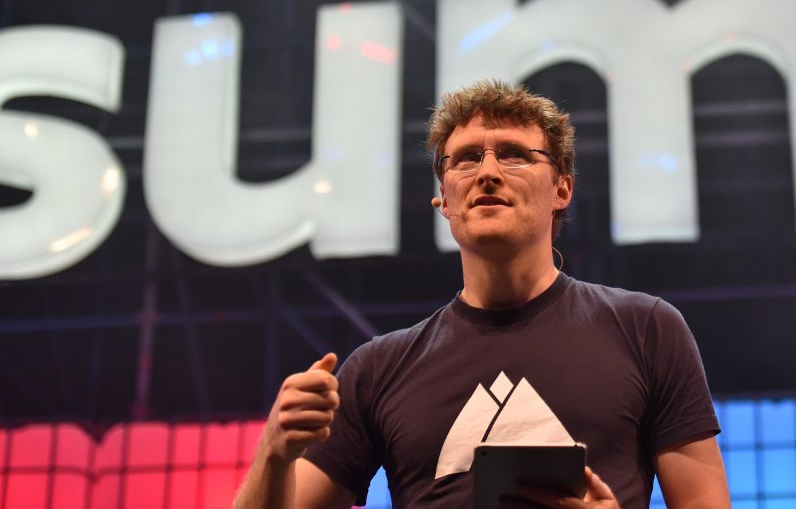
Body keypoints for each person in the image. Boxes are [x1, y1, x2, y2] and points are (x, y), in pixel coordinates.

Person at [234, 80, 730, 508]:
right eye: (467, 158)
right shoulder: (376, 370)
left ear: (562, 189)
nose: (487, 172)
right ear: (443, 199)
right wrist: (274, 452)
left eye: (514, 154)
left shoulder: (646, 330)